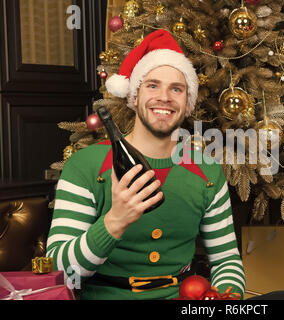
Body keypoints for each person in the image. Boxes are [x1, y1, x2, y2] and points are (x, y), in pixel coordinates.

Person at [46, 30, 245, 300]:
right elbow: (60, 272)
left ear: (187, 103)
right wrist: (114, 222)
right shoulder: (86, 166)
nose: (164, 97)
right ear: (134, 96)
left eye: (176, 89)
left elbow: (226, 261)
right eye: (152, 85)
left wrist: (223, 298)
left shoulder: (206, 170)